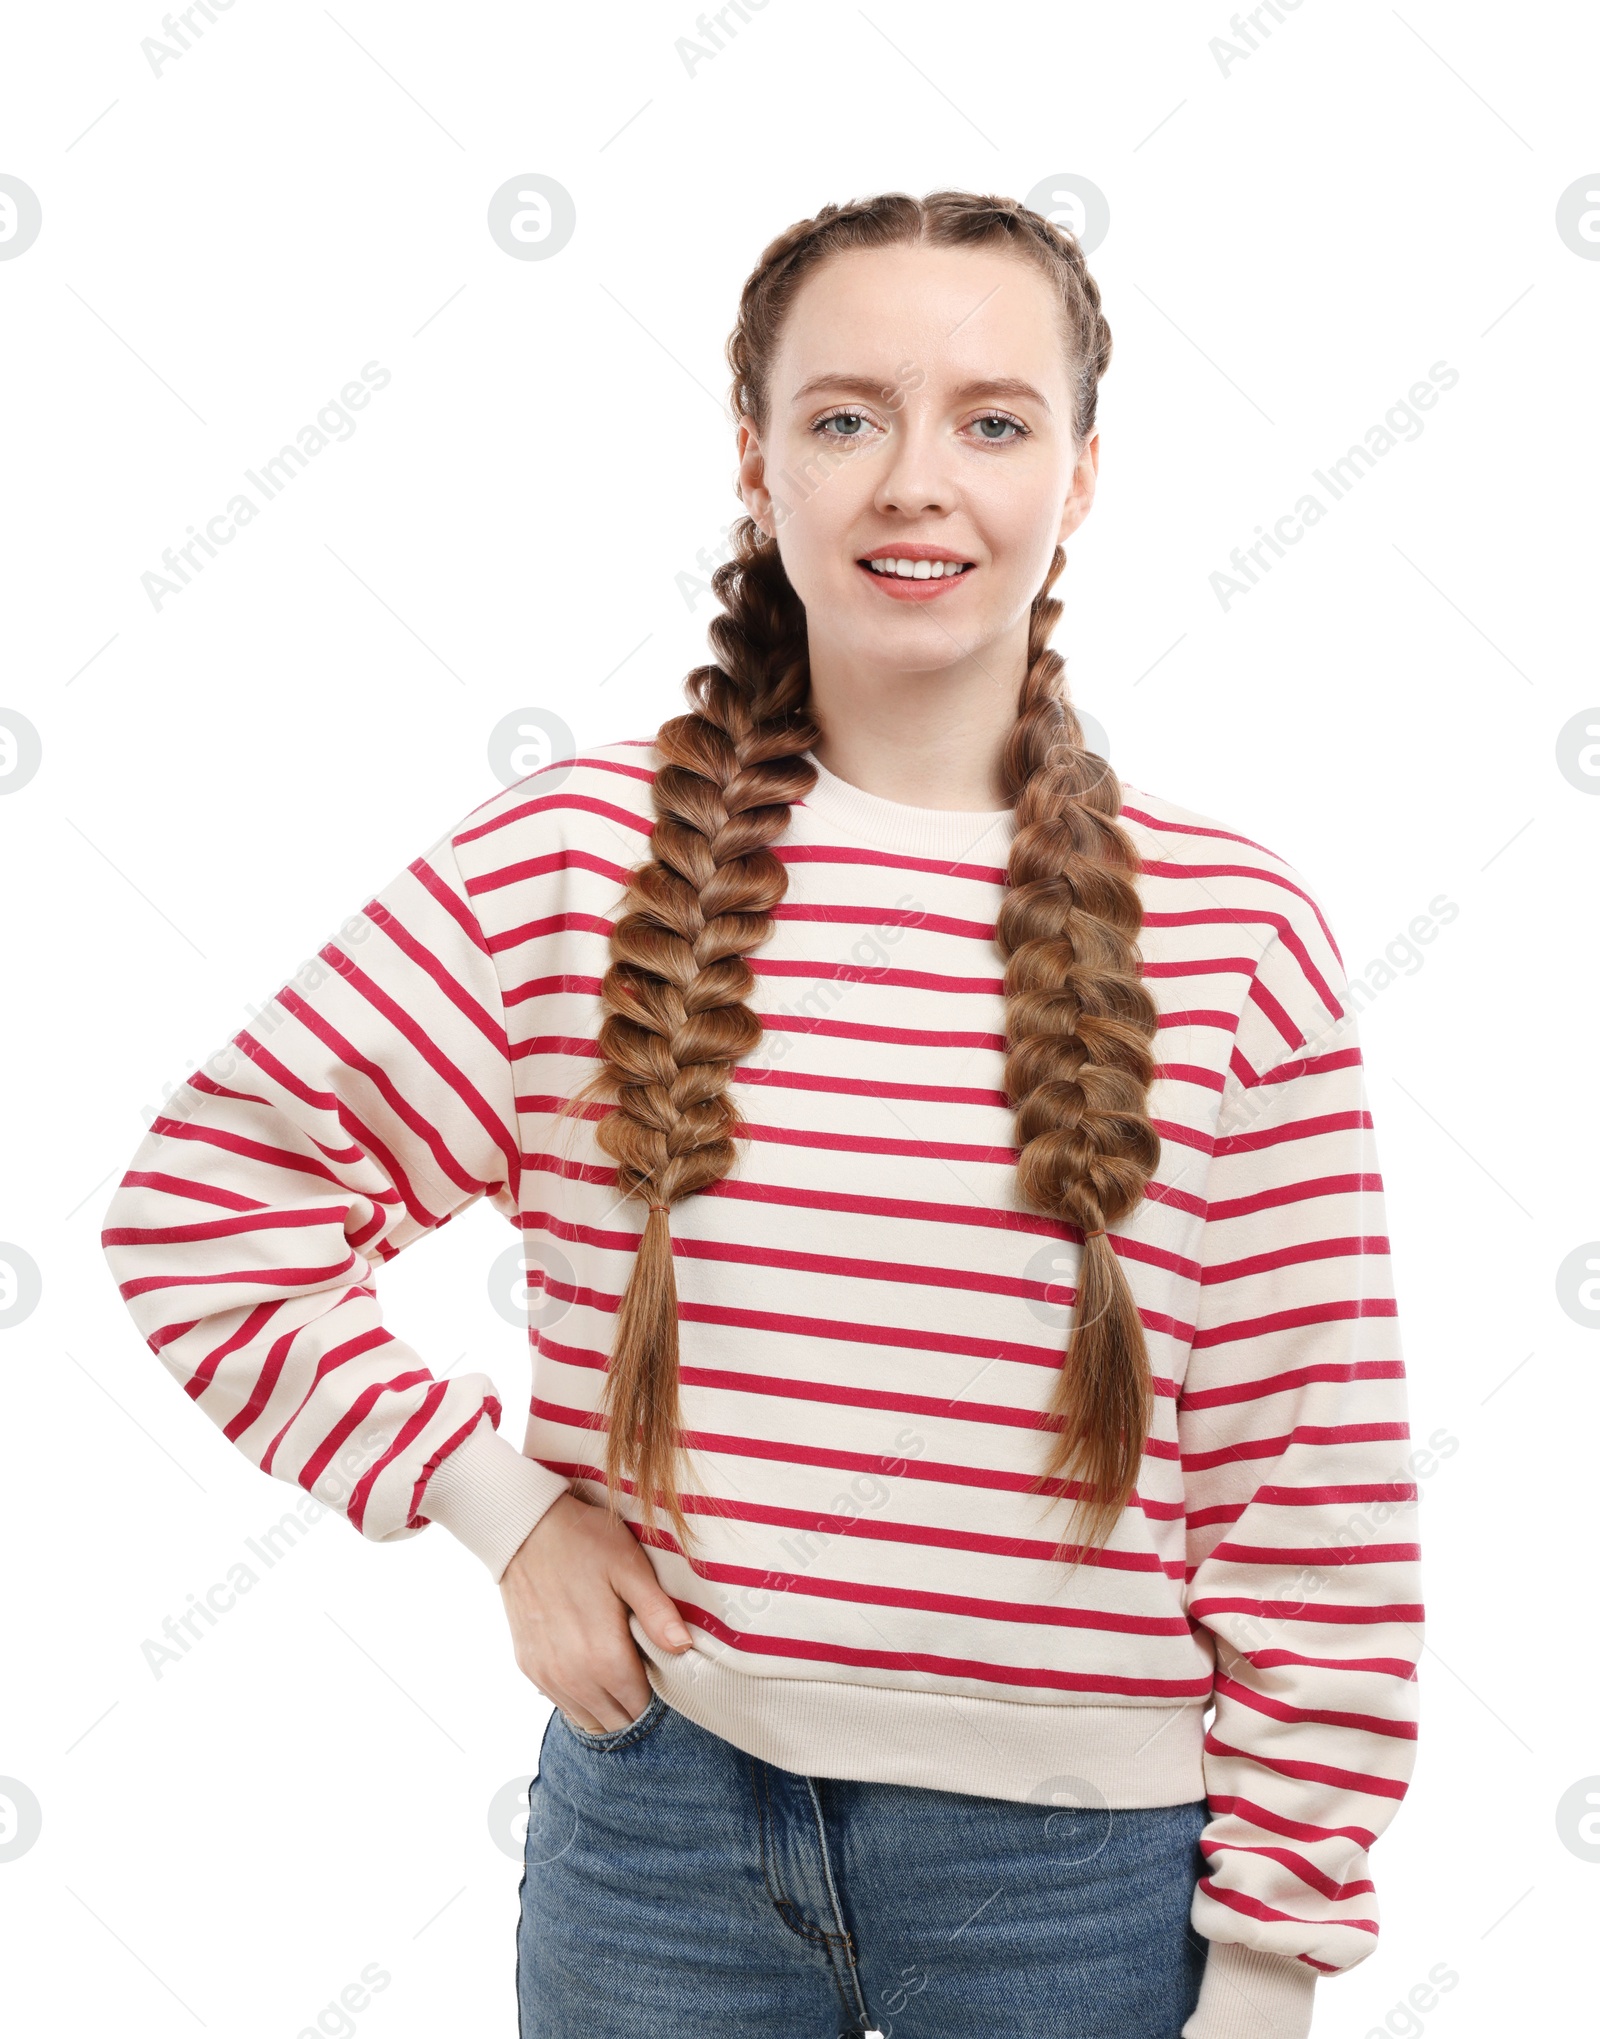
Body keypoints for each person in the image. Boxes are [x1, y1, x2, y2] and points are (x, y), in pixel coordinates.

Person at [101, 190, 1422, 2039]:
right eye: (843, 415)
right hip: (662, 1831)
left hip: (1089, 1888)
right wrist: (501, 1511)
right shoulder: (573, 861)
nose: (915, 481)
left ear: (1084, 472)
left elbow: (1312, 1484)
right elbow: (202, 1210)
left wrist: (1274, 1958)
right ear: (757, 462)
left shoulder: (1230, 931)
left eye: (993, 418)